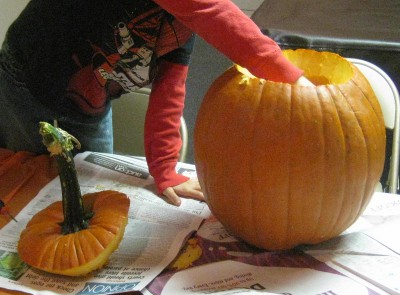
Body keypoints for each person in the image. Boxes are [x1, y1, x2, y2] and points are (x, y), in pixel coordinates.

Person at [0, 0, 313, 207]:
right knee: (27, 186)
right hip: (26, 81)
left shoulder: (180, 25)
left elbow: (170, 87)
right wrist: (291, 78)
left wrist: (165, 170)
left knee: (87, 196)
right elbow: (214, 13)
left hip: (90, 100)